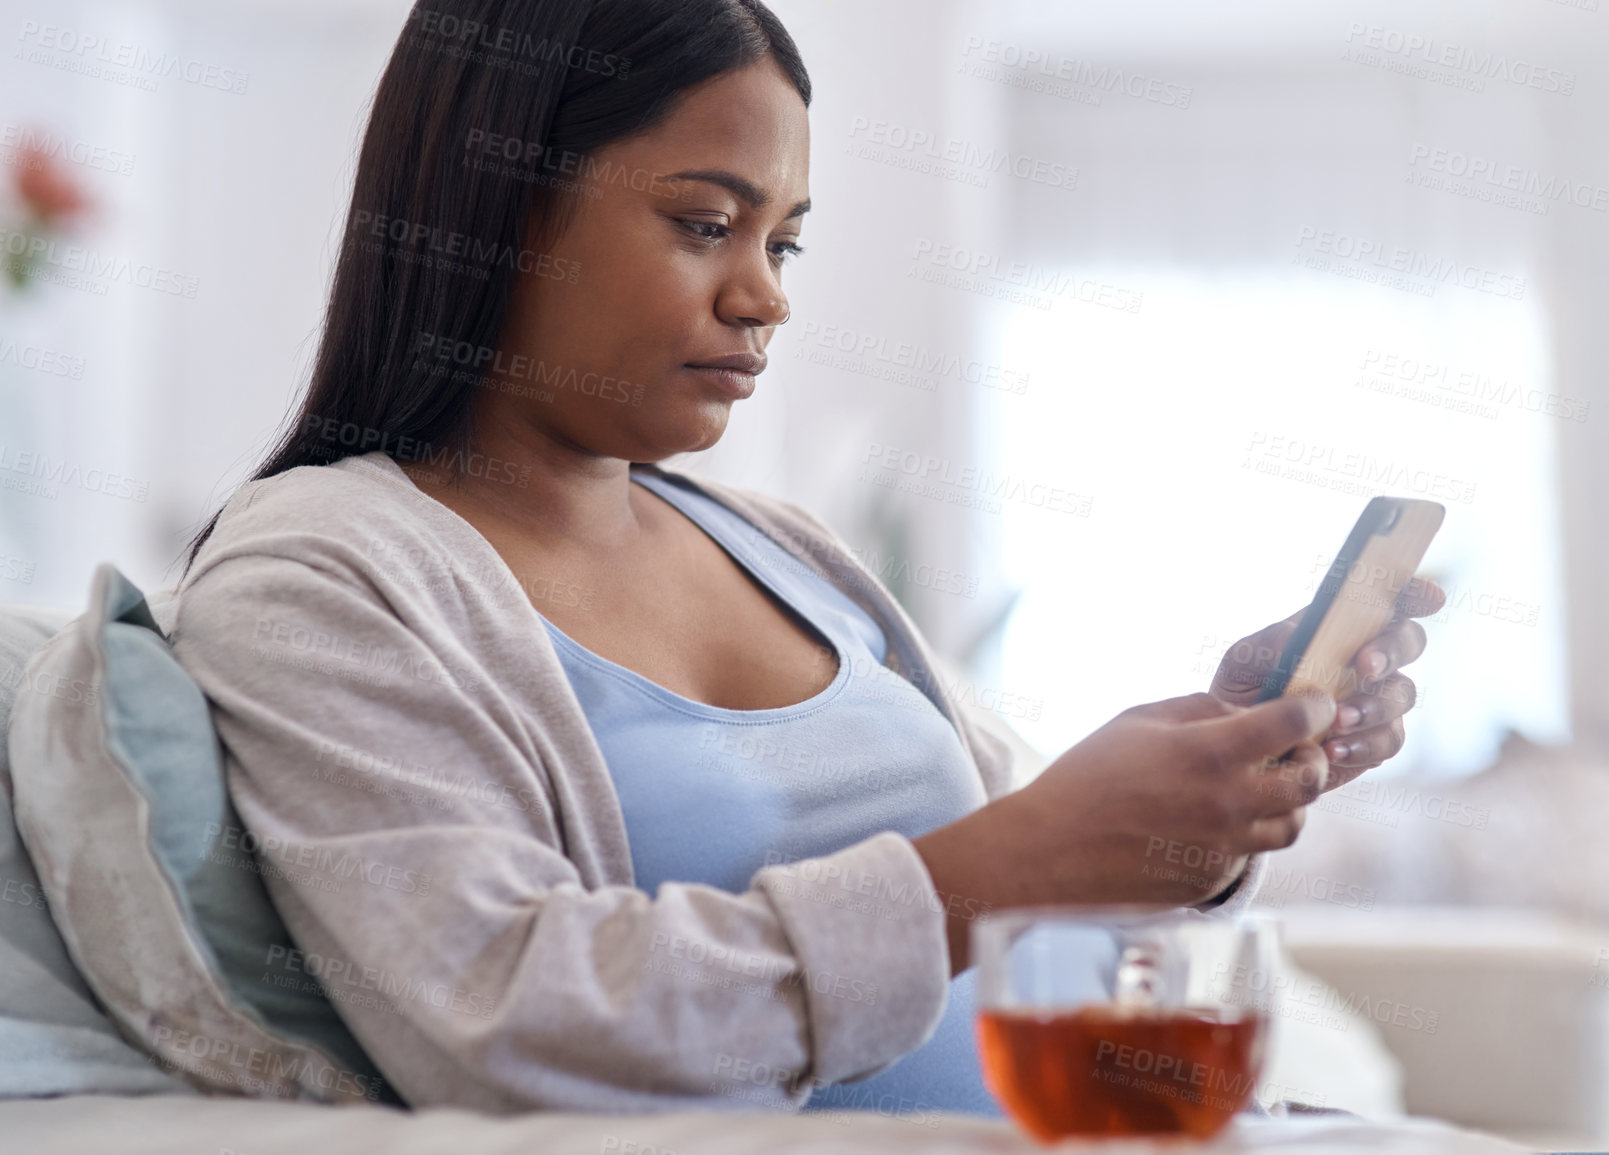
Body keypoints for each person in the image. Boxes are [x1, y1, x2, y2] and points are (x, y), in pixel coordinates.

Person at [170, 0, 1441, 1119]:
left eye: (781, 243)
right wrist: (1000, 868)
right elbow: (504, 1020)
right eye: (705, 223)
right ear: (493, 206)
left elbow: (1034, 883)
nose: (766, 295)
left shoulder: (782, 548)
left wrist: (1205, 782)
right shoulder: (315, 578)